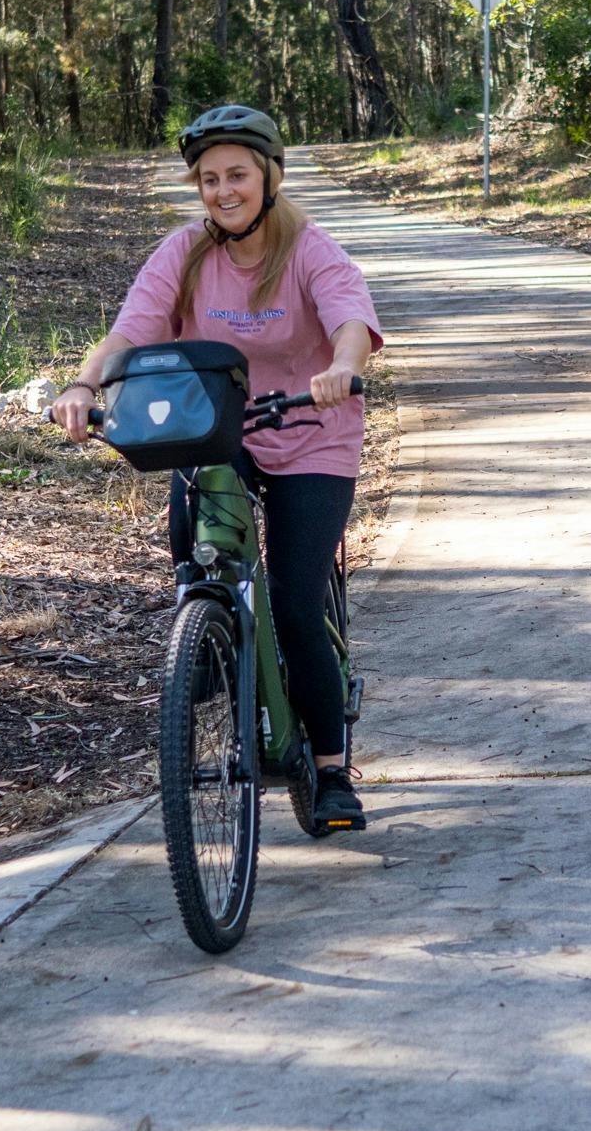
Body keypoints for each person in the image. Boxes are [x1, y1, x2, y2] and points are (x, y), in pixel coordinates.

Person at [50, 104, 383, 831]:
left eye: (236, 174)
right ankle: (203, 636)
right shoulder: (185, 253)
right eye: (208, 179)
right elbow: (130, 330)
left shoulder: (309, 249)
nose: (222, 190)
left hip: (309, 431)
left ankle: (330, 769)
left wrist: (341, 367)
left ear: (269, 176)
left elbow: (350, 321)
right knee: (198, 552)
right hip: (220, 429)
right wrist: (83, 385)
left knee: (296, 606)